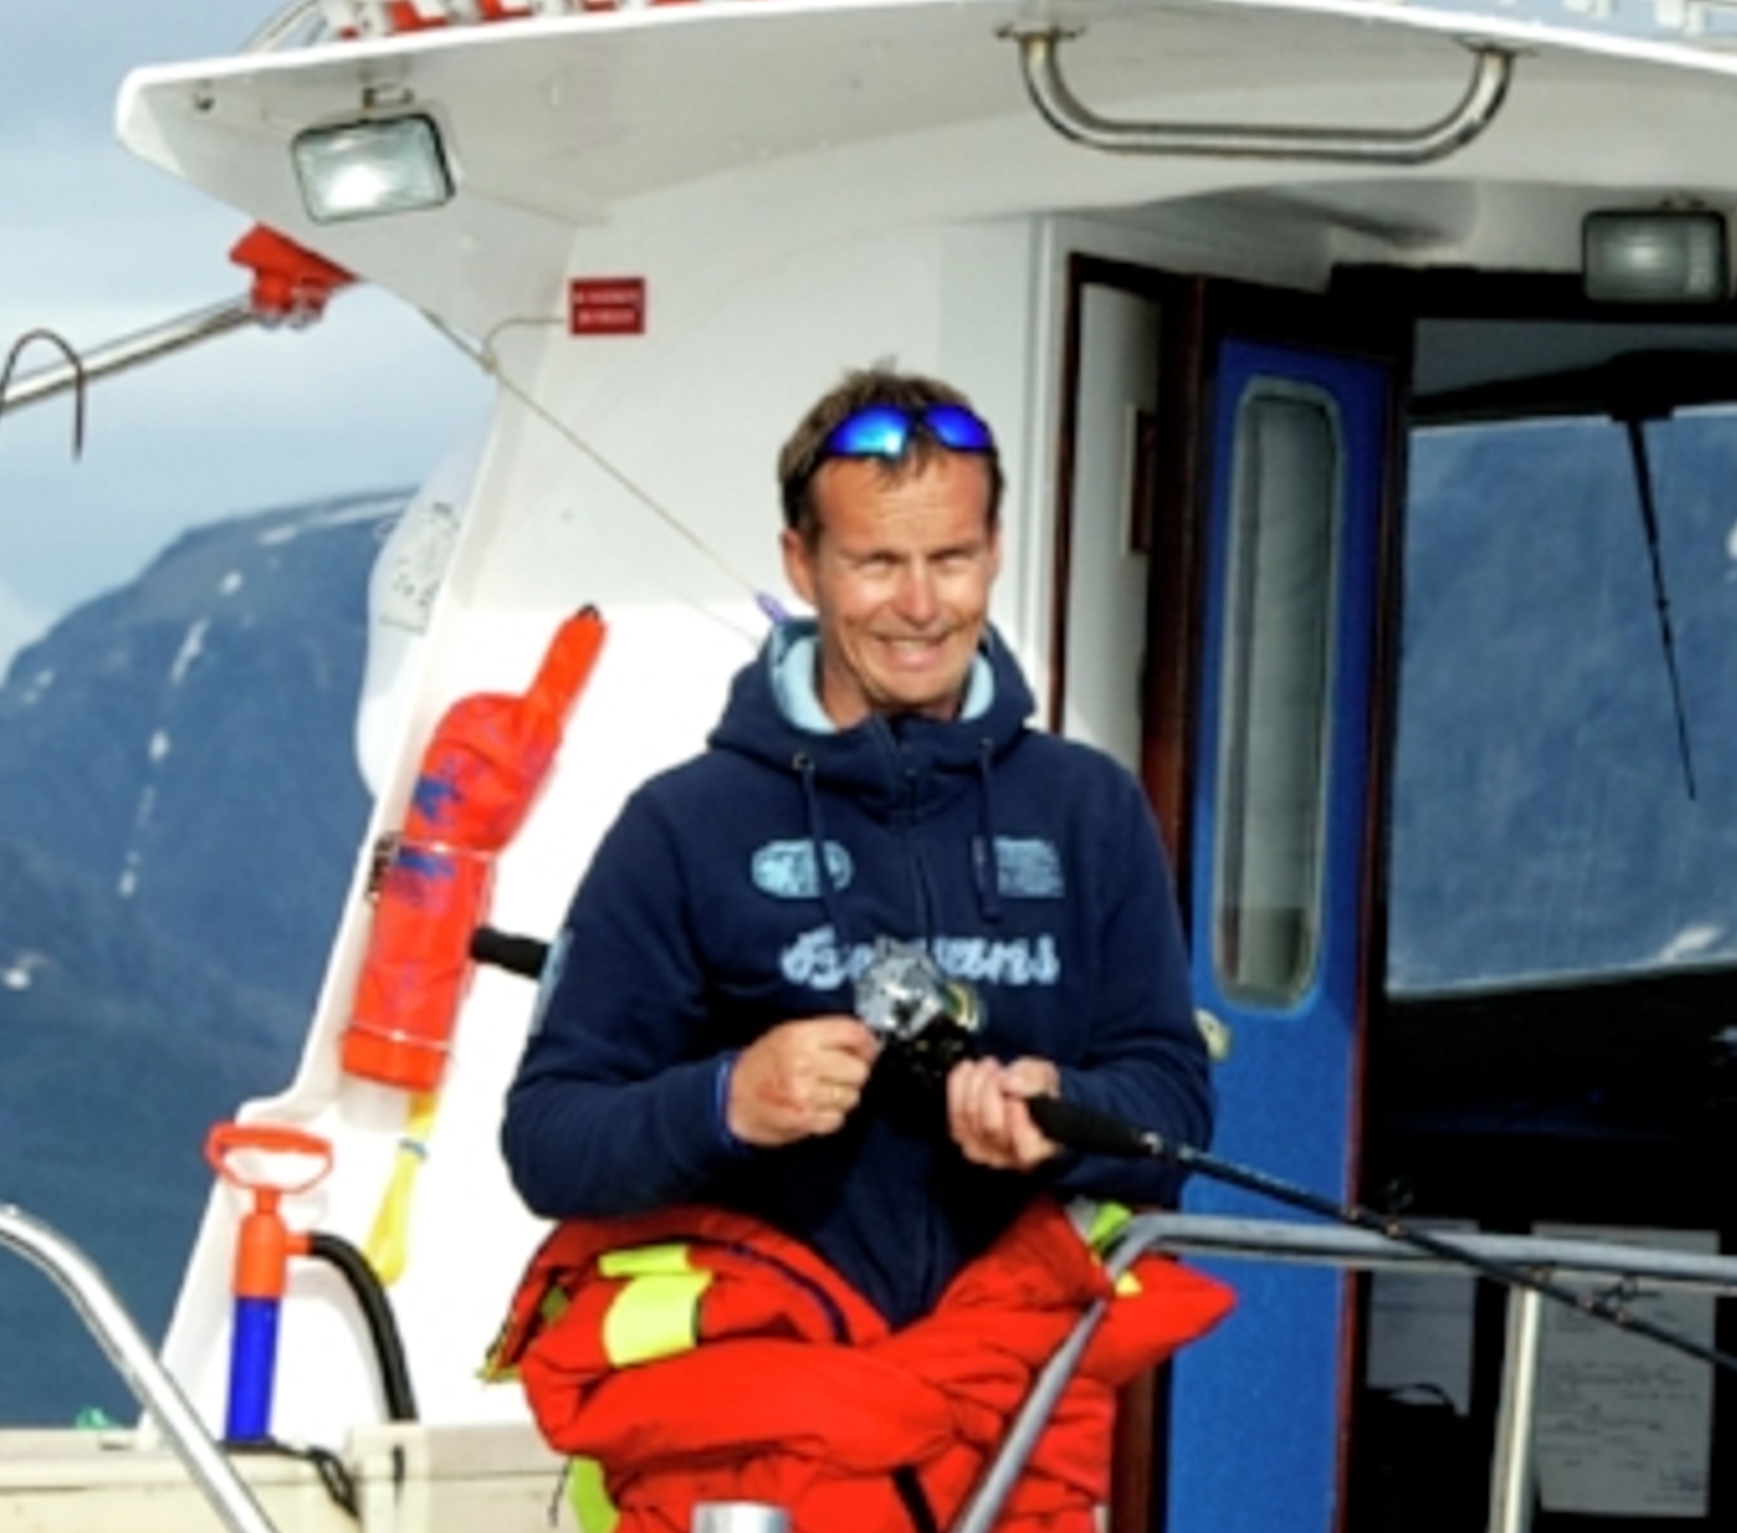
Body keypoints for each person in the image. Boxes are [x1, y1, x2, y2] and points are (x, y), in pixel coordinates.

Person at [503, 366, 1214, 1321]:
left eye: (952, 557)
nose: (921, 605)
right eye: (877, 563)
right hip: (757, 1419)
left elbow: (1175, 1106)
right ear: (803, 563)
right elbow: (547, 1139)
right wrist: (729, 1102)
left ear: (996, 550)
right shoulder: (681, 826)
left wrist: (1064, 1112)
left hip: (1012, 1417)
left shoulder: (1091, 809)